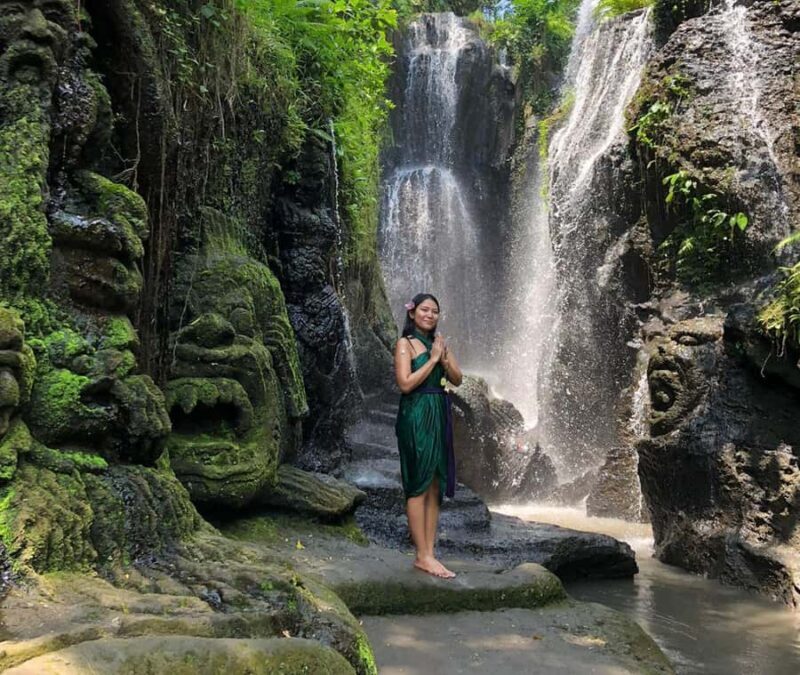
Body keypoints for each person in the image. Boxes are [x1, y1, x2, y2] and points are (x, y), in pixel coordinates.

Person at [394, 293, 463, 579]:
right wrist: (433, 359)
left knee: (435, 484)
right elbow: (405, 383)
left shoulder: (439, 344)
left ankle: (430, 553)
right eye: (424, 309)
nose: (430, 315)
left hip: (439, 411)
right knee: (418, 483)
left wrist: (443, 358)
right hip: (416, 413)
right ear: (412, 314)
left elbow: (458, 379)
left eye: (435, 311)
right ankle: (421, 554)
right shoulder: (404, 344)